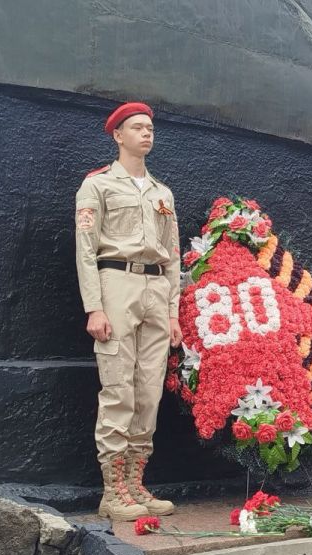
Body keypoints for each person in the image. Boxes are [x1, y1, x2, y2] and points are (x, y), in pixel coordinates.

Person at [75, 102, 181, 521]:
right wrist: (94, 308)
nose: (146, 133)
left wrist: (172, 312)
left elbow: (172, 255)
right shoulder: (97, 185)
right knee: (119, 387)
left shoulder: (162, 193)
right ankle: (113, 491)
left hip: (156, 286)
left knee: (149, 390)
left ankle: (135, 482)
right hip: (116, 282)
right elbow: (86, 250)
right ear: (118, 135)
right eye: (137, 127)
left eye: (150, 127)